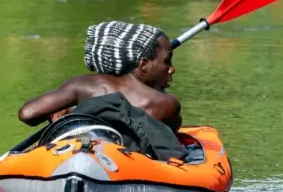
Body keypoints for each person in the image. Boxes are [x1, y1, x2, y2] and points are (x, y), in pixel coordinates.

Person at [18, 20, 181, 130]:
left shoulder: (82, 85)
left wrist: (66, 112)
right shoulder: (165, 103)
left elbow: (27, 114)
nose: (172, 69)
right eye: (167, 61)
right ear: (143, 64)